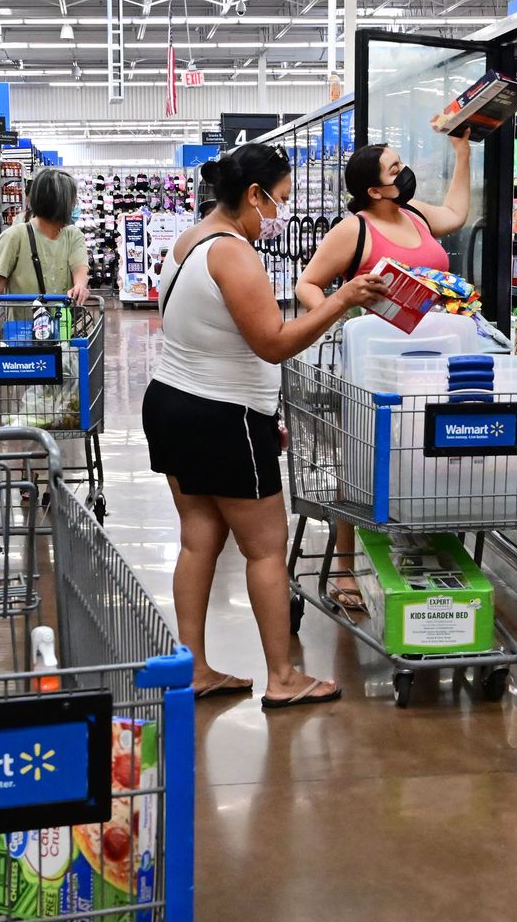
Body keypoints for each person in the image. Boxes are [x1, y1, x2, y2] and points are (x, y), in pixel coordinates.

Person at [144, 143, 385, 708]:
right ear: (253, 195)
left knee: (198, 540)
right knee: (266, 550)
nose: (279, 213)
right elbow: (274, 344)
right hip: (222, 417)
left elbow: (212, 336)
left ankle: (195, 667)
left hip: (173, 405)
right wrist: (341, 298)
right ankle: (283, 677)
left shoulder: (189, 243)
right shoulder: (234, 254)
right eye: (277, 199)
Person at [293, 134, 471, 613]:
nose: (404, 174)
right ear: (373, 190)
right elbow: (307, 283)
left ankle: (422, 551)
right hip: (374, 365)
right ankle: (346, 568)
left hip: (435, 361)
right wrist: (346, 316)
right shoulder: (355, 230)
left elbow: (455, 214)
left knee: (428, 455)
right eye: (395, 171)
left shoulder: (416, 216)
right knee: (360, 461)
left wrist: (462, 154)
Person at [0, 168, 88, 303]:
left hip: (64, 322)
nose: (74, 204)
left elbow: (79, 268)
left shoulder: (73, 235)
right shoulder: (14, 236)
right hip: (23, 322)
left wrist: (80, 286)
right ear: (63, 202)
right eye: (73, 200)